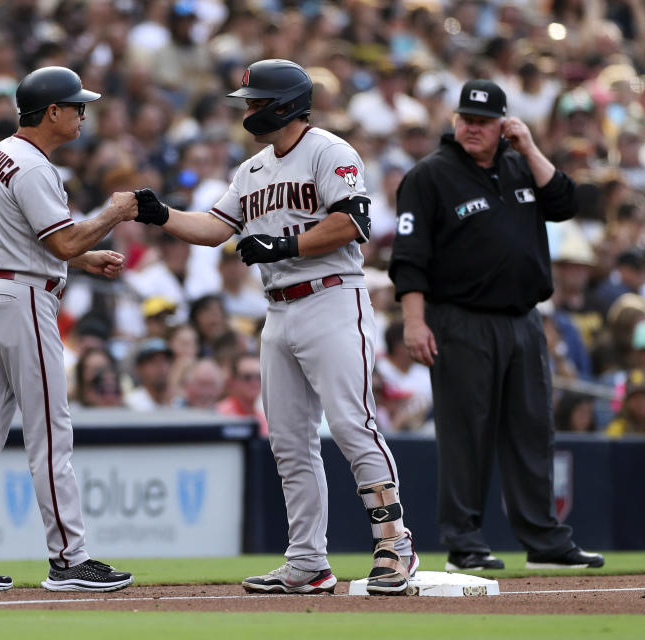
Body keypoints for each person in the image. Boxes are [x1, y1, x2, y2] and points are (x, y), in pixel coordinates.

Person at [132, 59, 417, 595]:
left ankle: (395, 545)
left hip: (332, 298)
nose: (250, 109)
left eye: (258, 101)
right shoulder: (253, 169)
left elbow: (353, 221)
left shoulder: (329, 150)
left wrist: (283, 244)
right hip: (278, 309)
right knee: (289, 441)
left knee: (353, 425)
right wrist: (162, 215)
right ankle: (308, 561)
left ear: (286, 103)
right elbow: (215, 227)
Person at [0, 66, 137, 593]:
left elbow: (31, 239)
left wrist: (82, 260)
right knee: (49, 434)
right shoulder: (35, 166)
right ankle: (69, 559)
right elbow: (59, 243)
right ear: (51, 112)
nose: (83, 113)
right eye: (75, 105)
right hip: (21, 301)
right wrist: (112, 213)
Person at [388, 79, 605, 571]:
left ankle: (545, 542)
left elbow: (567, 203)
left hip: (523, 319)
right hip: (460, 320)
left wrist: (528, 146)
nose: (473, 128)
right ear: (455, 121)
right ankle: (464, 544)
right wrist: (415, 321)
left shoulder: (518, 165)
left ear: (504, 124)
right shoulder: (430, 176)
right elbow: (409, 257)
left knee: (532, 429)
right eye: (467, 119)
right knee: (465, 433)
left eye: (484, 121)